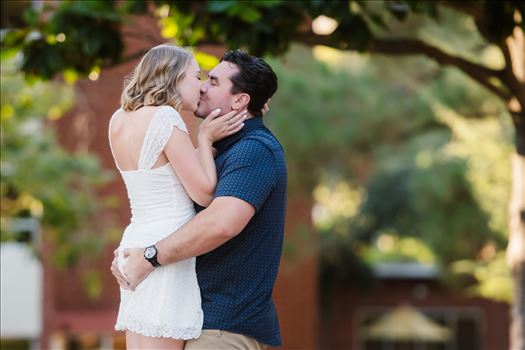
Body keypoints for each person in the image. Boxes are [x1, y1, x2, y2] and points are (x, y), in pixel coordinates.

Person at [112, 50, 287, 349]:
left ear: (240, 100)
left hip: (223, 324)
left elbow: (220, 223)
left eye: (213, 81)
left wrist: (149, 256)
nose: (203, 86)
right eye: (201, 78)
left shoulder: (254, 150)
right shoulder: (219, 147)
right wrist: (132, 253)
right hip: (196, 313)